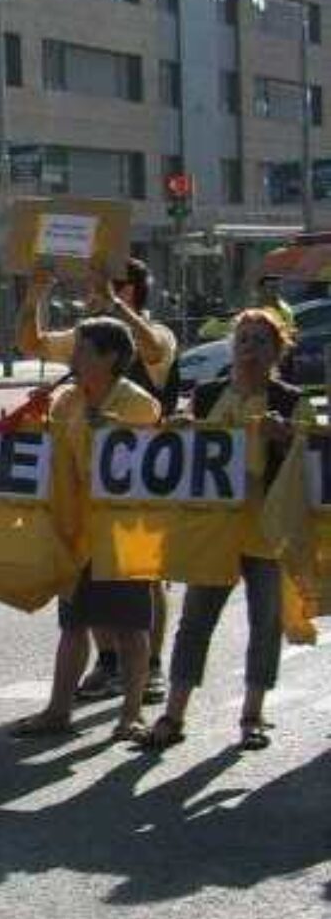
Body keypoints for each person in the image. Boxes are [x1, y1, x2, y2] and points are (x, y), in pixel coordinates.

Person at [142, 308, 312, 752]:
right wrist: (177, 428)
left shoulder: (291, 400)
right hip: (212, 531)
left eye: (260, 341)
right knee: (195, 621)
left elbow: (311, 458)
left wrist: (290, 437)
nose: (249, 348)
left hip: (267, 532)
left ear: (277, 351)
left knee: (265, 623)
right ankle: (173, 714)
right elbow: (184, 448)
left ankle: (252, 716)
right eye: (244, 339)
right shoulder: (208, 393)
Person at [18, 258, 178, 703]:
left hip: (137, 489)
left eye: (108, 282)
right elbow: (32, 343)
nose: (93, 288)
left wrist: (114, 305)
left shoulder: (154, 332)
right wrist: (36, 294)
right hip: (87, 493)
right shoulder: (89, 336)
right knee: (87, 590)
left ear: (134, 290)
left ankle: (152, 668)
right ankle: (108, 665)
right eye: (92, 282)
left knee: (145, 583)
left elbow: (146, 347)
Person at [10, 317, 161, 742]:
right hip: (78, 533)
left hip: (127, 533)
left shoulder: (138, 403)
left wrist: (105, 423)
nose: (72, 357)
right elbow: (50, 458)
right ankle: (58, 711)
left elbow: (142, 459)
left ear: (109, 357)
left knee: (131, 628)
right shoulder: (67, 402)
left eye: (82, 350)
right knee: (73, 624)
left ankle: (130, 715)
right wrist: (33, 414)